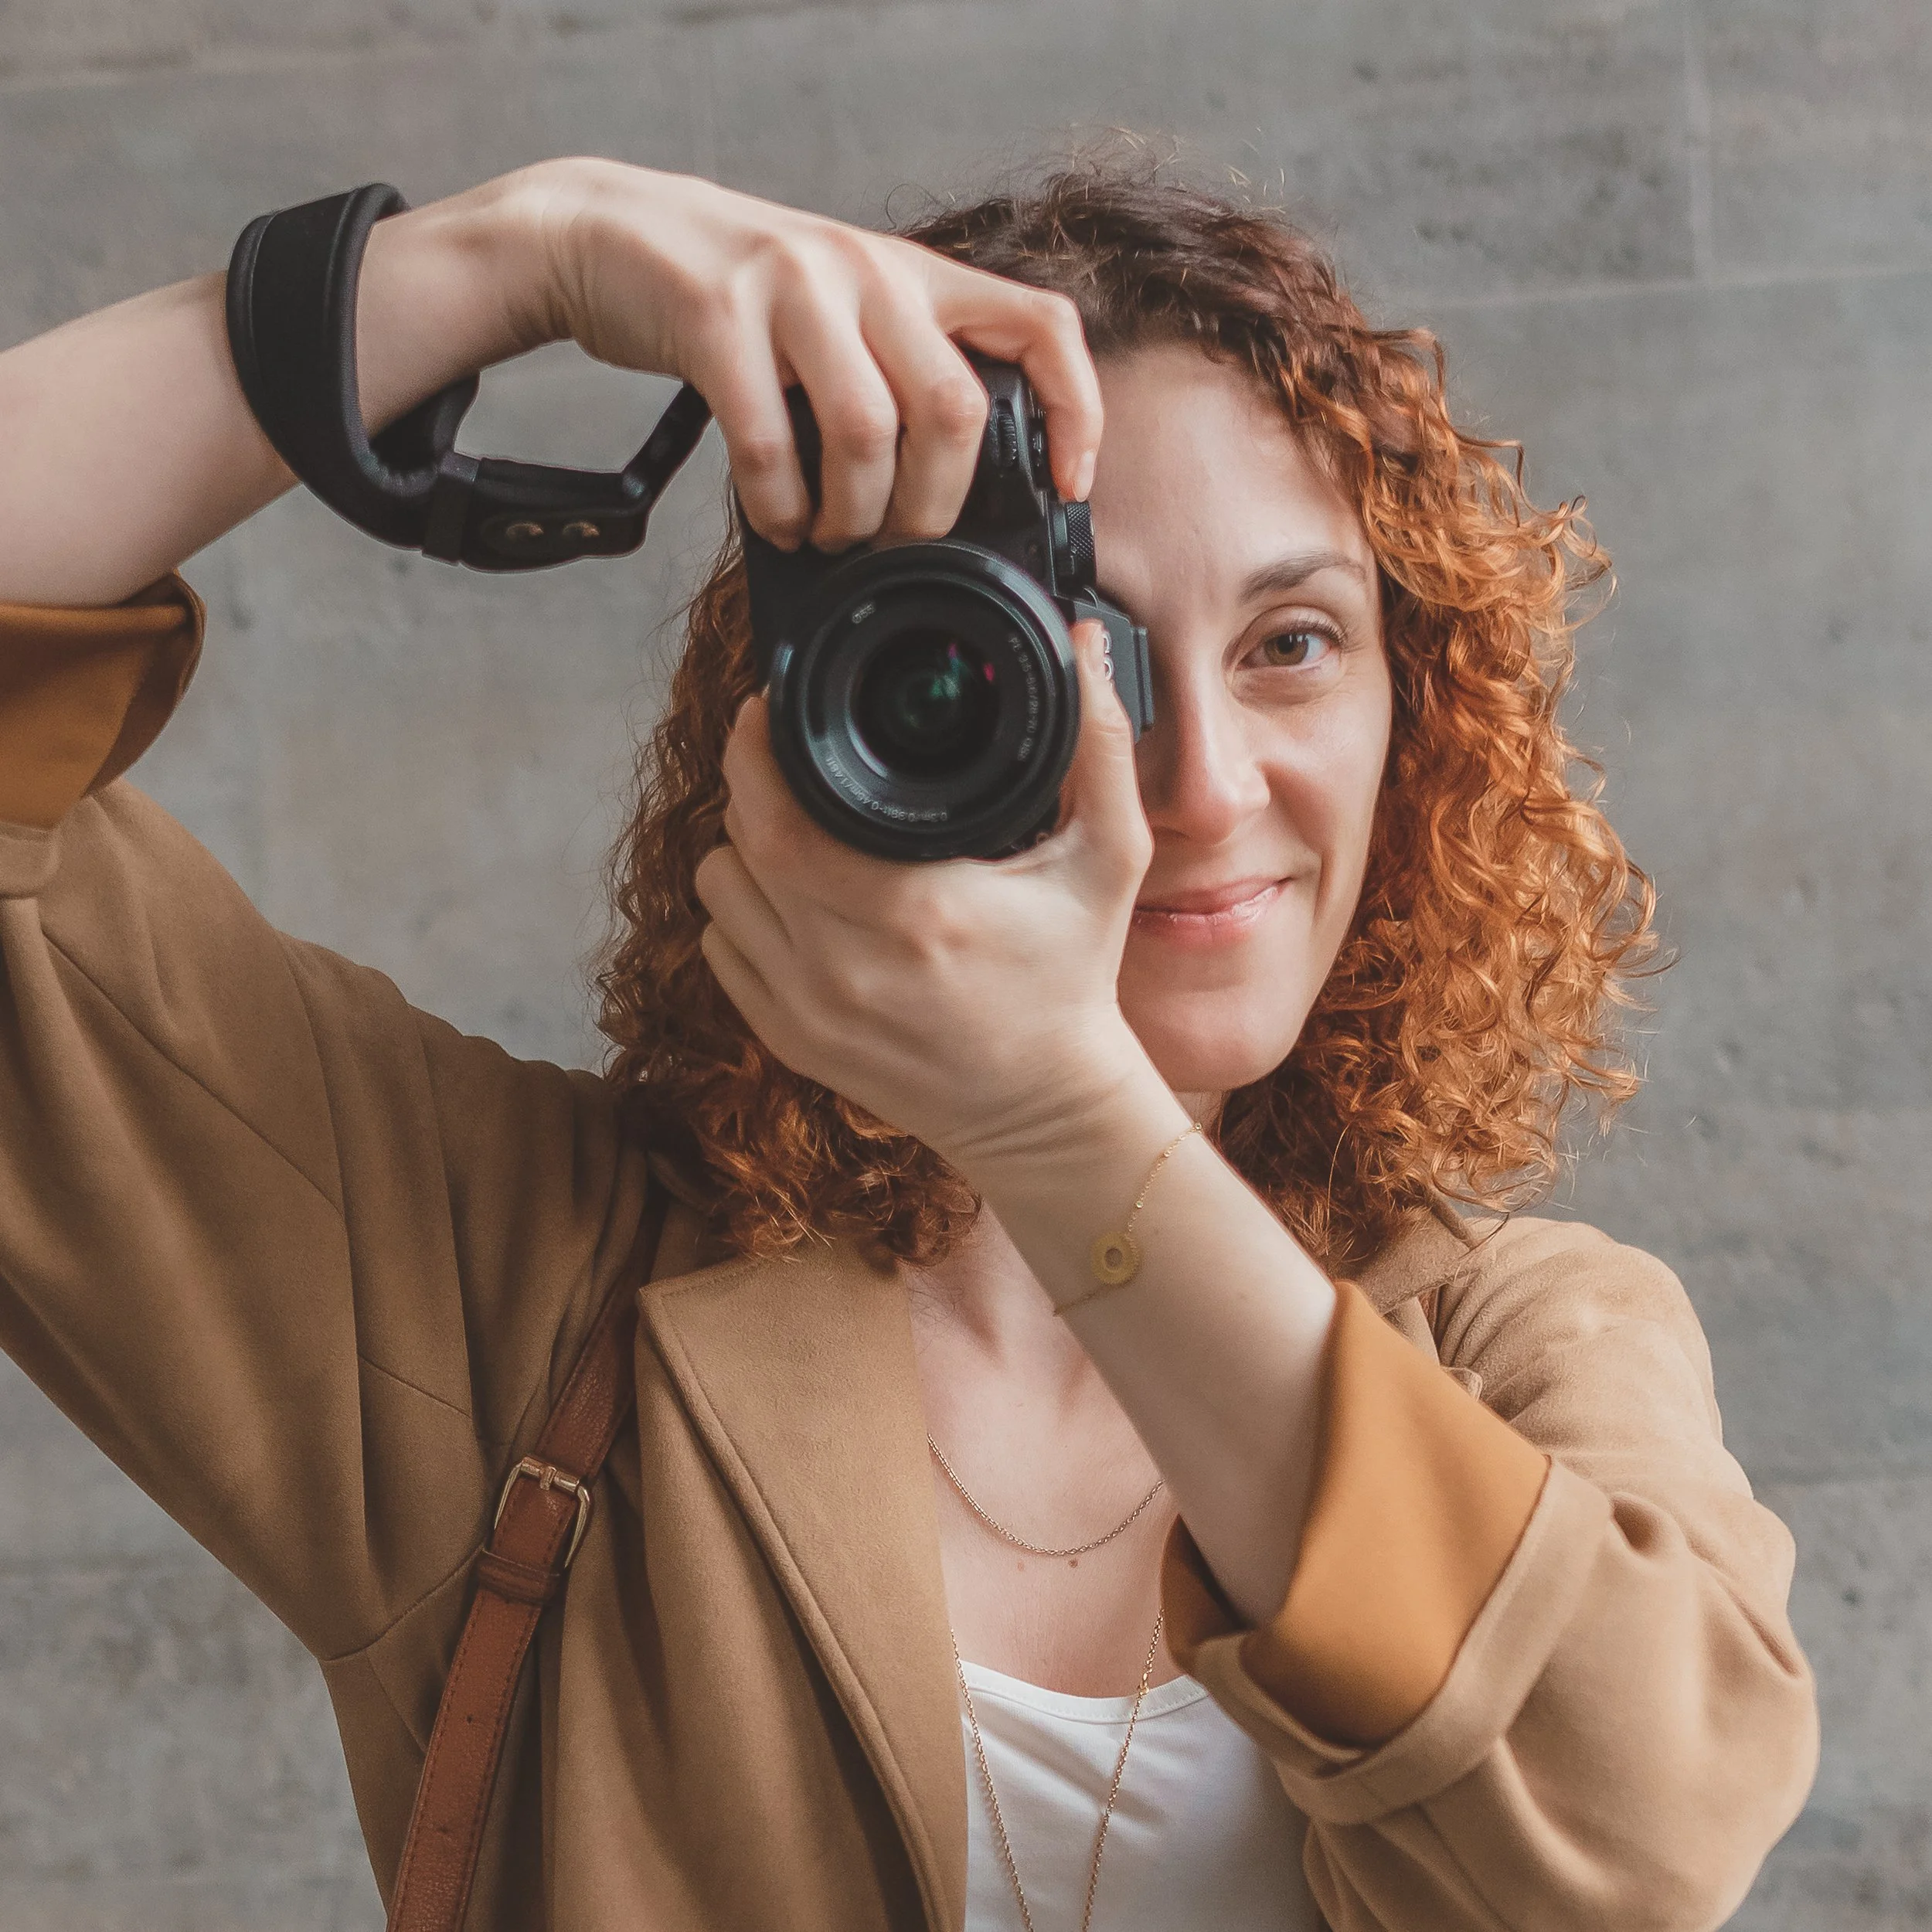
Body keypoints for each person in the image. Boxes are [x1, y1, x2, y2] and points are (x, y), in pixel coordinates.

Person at [0, 154, 1818, 1932]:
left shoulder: (1519, 1346)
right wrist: (493, 259)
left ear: (1407, 716)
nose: (1193, 780)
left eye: (1290, 641)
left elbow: (1635, 1832)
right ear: (840, 698)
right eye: (1079, 649)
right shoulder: (519, 1294)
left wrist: (1053, 1119)